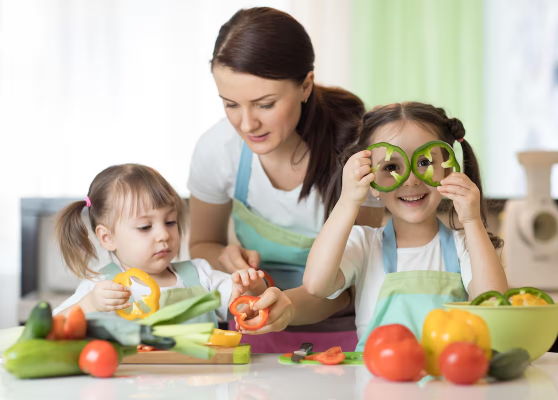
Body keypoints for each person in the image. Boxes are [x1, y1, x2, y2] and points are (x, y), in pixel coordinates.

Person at [187, 7, 383, 351]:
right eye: (230, 104)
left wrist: (286, 306)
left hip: (347, 337)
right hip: (251, 332)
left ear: (305, 85)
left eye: (265, 104)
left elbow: (353, 282)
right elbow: (203, 244)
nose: (247, 124)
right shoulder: (217, 150)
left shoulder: (356, 153)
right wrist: (226, 257)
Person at [303, 102, 508, 350]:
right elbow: (316, 285)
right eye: (391, 167)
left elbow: (493, 301)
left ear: (448, 168)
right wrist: (348, 201)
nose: (411, 180)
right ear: (372, 181)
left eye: (424, 163)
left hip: (448, 384)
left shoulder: (464, 245)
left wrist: (472, 220)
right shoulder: (364, 245)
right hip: (376, 384)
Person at [52, 164, 266, 325]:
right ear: (107, 237)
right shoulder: (101, 288)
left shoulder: (201, 276)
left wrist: (253, 288)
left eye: (170, 222)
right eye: (145, 227)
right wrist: (89, 304)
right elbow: (52, 327)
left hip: (201, 383)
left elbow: (248, 309)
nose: (164, 234)